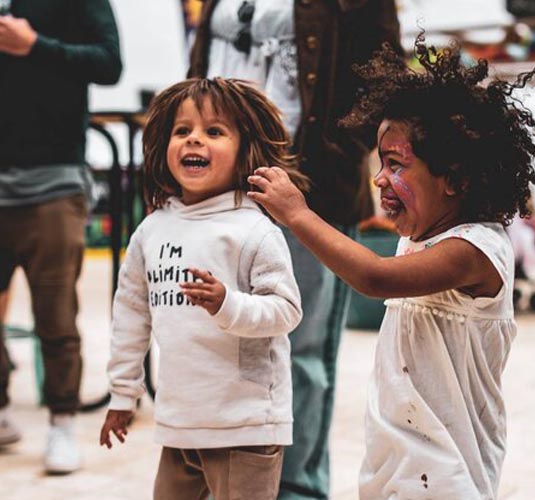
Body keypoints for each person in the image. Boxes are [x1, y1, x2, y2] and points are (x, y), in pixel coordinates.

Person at [247, 34, 535, 499]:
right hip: (397, 455)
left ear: (457, 179)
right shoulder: (422, 238)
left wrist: (298, 214)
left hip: (448, 468)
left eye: (396, 165)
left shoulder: (476, 250)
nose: (379, 178)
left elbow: (374, 277)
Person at [188, 2, 403, 497]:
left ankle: (296, 490)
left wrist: (334, 150)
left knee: (298, 350)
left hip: (308, 186)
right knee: (211, 341)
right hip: (217, 188)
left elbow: (384, 77)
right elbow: (198, 70)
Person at [99, 77, 308, 500]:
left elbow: (286, 311)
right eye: (183, 131)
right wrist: (123, 393)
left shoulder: (253, 229)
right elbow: (130, 316)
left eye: (214, 131)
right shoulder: (151, 230)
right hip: (179, 422)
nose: (195, 139)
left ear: (244, 150)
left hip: (244, 423)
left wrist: (227, 305)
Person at [0, 0, 122, 473]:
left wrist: (36, 47)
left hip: (53, 179)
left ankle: (62, 424)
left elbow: (108, 64)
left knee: (56, 315)